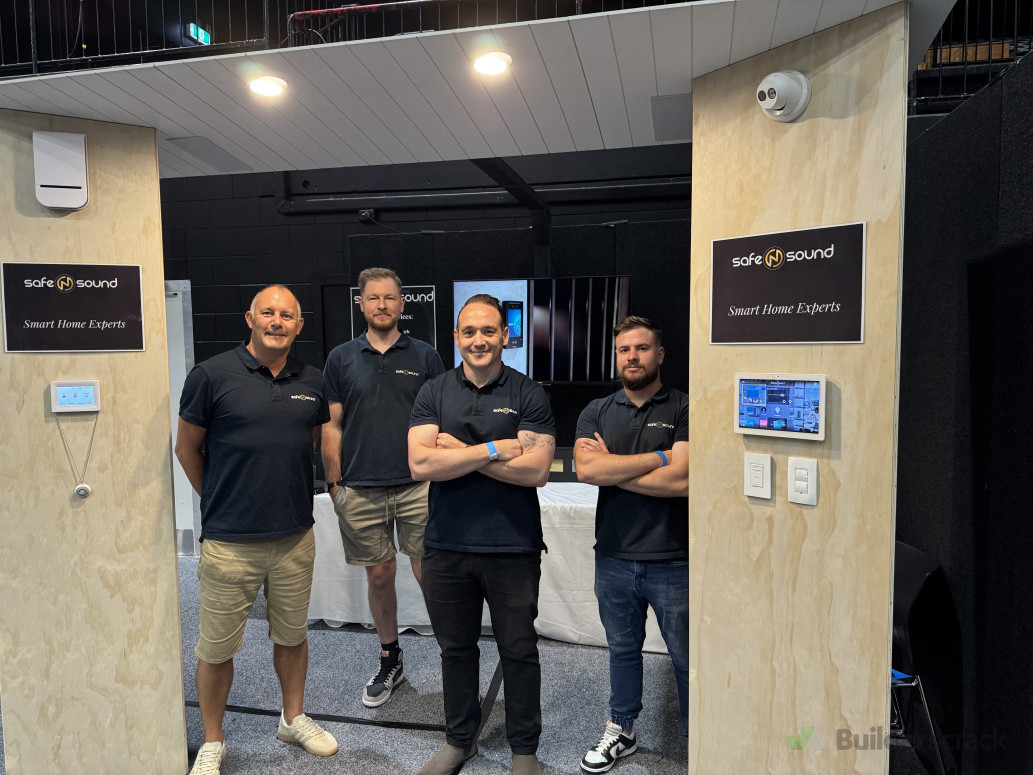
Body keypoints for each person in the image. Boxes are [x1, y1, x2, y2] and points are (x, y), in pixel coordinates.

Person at [175, 284, 338, 775]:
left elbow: (308, 442)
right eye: (268, 312)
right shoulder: (210, 376)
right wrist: (221, 498)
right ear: (250, 318)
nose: (276, 321)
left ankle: (292, 718)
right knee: (216, 647)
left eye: (287, 315)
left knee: (292, 636)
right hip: (230, 542)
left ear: (299, 325)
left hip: (294, 539)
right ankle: (213, 740)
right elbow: (186, 448)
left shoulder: (313, 380)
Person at [407, 294, 556, 775]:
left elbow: (536, 471)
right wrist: (493, 449)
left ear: (505, 336)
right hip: (446, 545)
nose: (478, 340)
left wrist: (458, 453)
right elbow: (421, 463)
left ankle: (524, 750)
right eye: (469, 331)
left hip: (512, 545)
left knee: (519, 650)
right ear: (456, 337)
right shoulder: (433, 391)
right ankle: (459, 741)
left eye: (489, 331)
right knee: (455, 650)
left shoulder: (528, 393)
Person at [321, 267, 445, 707]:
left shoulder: (426, 356)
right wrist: (334, 483)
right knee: (379, 574)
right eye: (373, 298)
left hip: (418, 485)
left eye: (390, 298)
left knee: (431, 570)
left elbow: (441, 420)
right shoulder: (340, 358)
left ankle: (454, 656)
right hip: (360, 487)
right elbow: (331, 425)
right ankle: (390, 657)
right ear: (361, 304)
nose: (382, 305)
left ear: (402, 303)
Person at [572, 315, 688, 773]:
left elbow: (682, 480)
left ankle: (700, 738)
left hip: (675, 559)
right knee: (622, 651)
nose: (632, 357)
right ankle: (621, 729)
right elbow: (587, 470)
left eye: (641, 348)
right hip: (614, 557)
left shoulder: (684, 407)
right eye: (624, 350)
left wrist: (614, 469)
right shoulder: (597, 410)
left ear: (659, 354)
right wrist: (659, 457)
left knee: (686, 658)